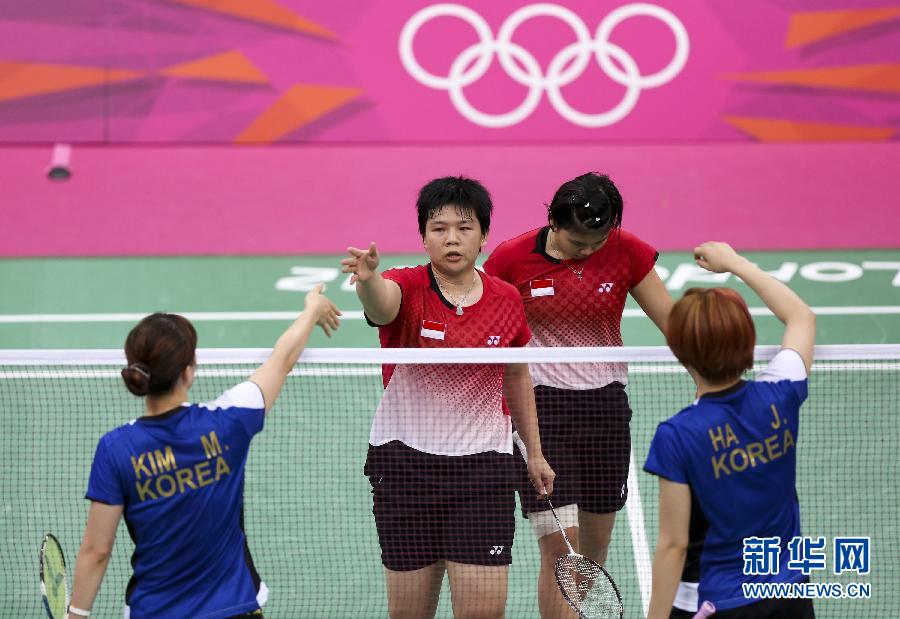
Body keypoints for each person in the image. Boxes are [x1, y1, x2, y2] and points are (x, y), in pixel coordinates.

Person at [341, 175, 555, 619]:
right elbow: (382, 305)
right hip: (405, 468)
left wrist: (534, 452)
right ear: (423, 236)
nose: (452, 239)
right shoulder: (409, 287)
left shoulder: (506, 298)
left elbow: (516, 375)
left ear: (483, 236)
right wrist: (367, 280)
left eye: (464, 227)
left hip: (484, 471)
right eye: (439, 228)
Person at [66, 286, 341, 619]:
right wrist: (312, 309)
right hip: (234, 606)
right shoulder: (229, 422)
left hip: (155, 611)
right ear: (188, 371)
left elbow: (96, 551)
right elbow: (281, 358)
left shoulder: (116, 448)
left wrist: (76, 614)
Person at [483, 172, 672, 618]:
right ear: (553, 221)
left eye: (598, 242)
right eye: (578, 242)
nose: (588, 252)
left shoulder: (627, 250)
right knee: (561, 550)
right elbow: (482, 325)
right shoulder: (511, 260)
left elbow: (675, 323)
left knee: (594, 545)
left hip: (605, 407)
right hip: (541, 406)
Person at [645, 241, 816, 618]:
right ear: (749, 343)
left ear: (678, 349)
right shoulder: (781, 395)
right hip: (789, 593)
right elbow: (801, 316)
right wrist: (736, 264)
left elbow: (674, 546)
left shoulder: (677, 436)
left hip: (715, 602)